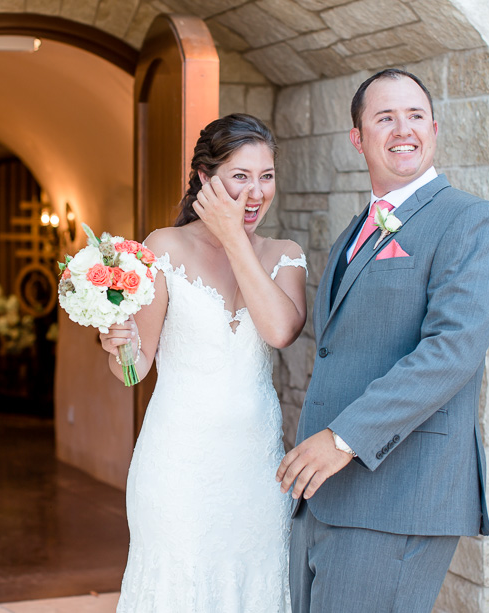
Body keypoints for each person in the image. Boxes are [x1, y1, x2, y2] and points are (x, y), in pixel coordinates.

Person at [276, 69, 489, 612]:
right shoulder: (351, 233)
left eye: (414, 116)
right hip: (325, 497)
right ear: (358, 138)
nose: (401, 128)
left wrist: (341, 439)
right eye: (384, 117)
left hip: (399, 493)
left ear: (434, 127)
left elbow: (452, 350)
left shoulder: (472, 221)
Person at [99, 113, 308, 612]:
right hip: (176, 467)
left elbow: (280, 331)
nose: (256, 192)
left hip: (257, 470)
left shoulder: (284, 254)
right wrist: (118, 345)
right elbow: (135, 369)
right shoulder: (163, 247)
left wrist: (235, 238)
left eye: (266, 176)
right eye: (240, 176)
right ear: (204, 179)